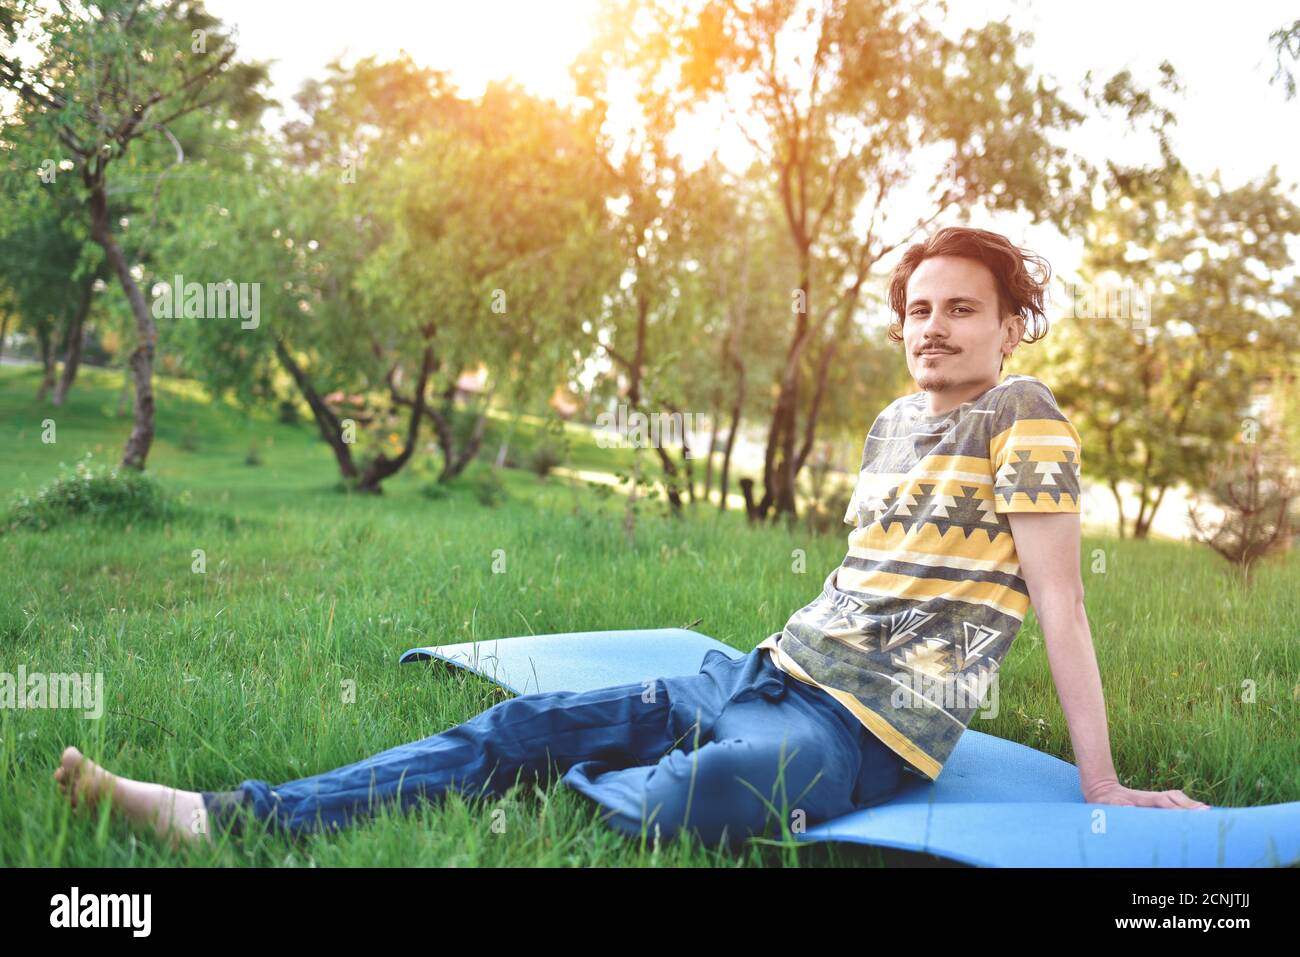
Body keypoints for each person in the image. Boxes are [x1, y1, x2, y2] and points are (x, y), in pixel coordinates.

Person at [54, 225, 1209, 851]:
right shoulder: (891, 424)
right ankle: (220, 818)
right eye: (917, 308)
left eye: (962, 308)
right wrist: (761, 667)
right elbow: (863, 576)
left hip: (872, 735)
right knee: (521, 719)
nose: (933, 327)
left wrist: (1100, 781)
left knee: (683, 809)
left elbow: (1060, 600)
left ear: (1010, 326)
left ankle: (544, 780)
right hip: (764, 669)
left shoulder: (1025, 413)